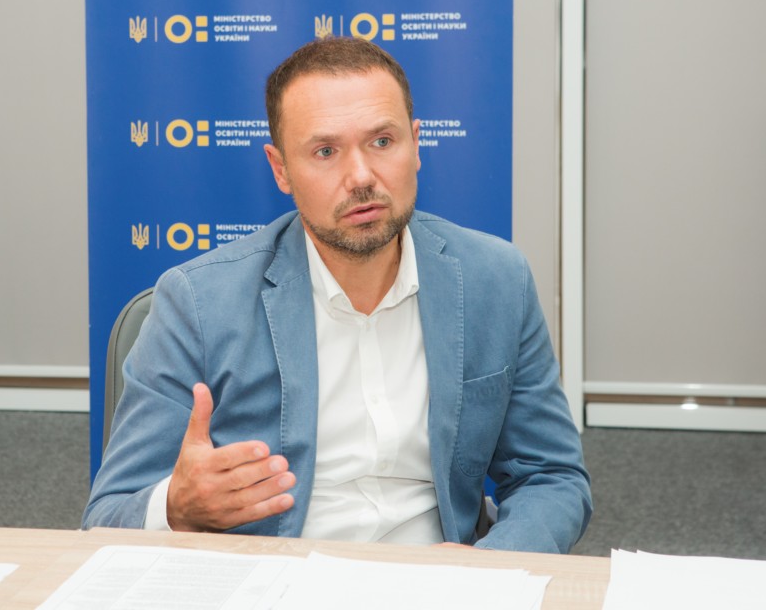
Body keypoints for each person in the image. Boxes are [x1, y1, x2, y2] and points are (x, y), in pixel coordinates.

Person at [84, 37, 591, 552]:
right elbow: (106, 515)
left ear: (416, 144)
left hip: (441, 576)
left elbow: (552, 477)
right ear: (281, 169)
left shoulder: (495, 280)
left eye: (382, 142)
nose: (362, 177)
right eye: (325, 152)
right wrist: (176, 506)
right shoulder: (198, 302)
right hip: (276, 578)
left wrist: (487, 570)